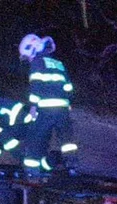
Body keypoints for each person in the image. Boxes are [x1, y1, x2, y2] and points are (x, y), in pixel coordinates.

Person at [18, 33, 77, 176]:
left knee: (36, 138)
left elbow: (36, 86)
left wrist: (33, 106)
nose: (29, 60)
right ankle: (72, 167)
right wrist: (68, 102)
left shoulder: (37, 63)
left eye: (28, 56)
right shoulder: (58, 63)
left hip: (45, 109)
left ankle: (32, 171)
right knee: (67, 140)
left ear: (32, 49)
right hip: (62, 109)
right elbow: (68, 86)